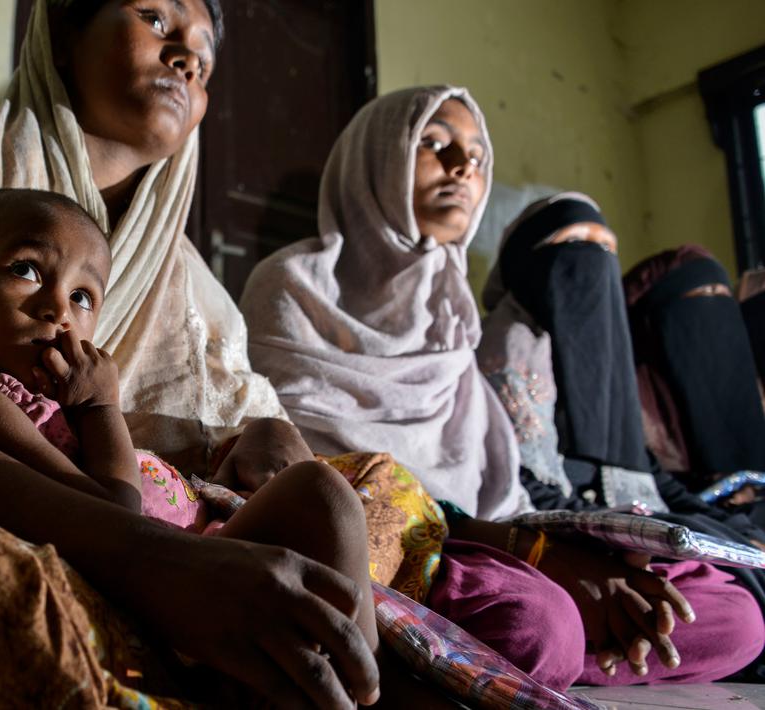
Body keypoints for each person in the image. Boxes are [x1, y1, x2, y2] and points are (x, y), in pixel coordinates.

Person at [0, 1, 391, 707]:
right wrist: (154, 561)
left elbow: (233, 415)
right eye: (155, 17)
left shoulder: (181, 273)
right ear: (59, 34)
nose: (185, 57)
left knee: (366, 493)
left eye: (204, 58)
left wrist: (267, 428)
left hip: (155, 532)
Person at [240, 86, 761, 687]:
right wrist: (536, 555)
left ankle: (522, 659)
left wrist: (577, 555)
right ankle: (547, 650)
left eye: (477, 157)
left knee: (737, 617)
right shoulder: (292, 287)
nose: (462, 167)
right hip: (395, 546)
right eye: (433, 145)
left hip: (502, 532)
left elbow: (504, 488)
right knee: (537, 625)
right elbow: (309, 470)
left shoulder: (454, 311)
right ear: (375, 158)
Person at [0, 185, 376, 648]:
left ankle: (366, 673)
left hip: (203, 548)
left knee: (332, 510)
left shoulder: (58, 401)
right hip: (173, 580)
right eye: (26, 269)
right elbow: (116, 513)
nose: (58, 309)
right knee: (320, 495)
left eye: (81, 297)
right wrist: (100, 406)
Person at [474, 192, 765, 682]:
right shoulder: (501, 357)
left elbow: (652, 479)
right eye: (574, 245)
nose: (594, 263)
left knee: (741, 589)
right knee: (737, 621)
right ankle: (551, 656)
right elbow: (517, 493)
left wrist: (730, 532)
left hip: (640, 540)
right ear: (526, 262)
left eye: (605, 250)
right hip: (562, 550)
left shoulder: (606, 369)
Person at [622, 245, 765, 483]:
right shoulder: (628, 401)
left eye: (722, 296)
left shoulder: (734, 390)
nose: (717, 315)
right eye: (703, 294)